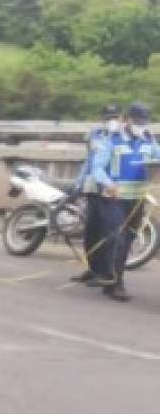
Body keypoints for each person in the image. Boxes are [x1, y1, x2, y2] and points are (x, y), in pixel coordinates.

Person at [88, 101, 160, 302]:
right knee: (116, 238)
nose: (141, 125)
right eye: (137, 121)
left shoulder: (148, 140)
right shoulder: (112, 140)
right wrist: (108, 183)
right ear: (127, 120)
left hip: (137, 200)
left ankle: (112, 277)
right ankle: (114, 282)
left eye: (144, 122)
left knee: (127, 240)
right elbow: (97, 167)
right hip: (113, 198)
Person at [71, 104, 121, 285]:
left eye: (114, 117)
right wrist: (78, 183)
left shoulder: (123, 137)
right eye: (108, 117)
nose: (111, 121)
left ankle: (105, 272)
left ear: (121, 118)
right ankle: (92, 269)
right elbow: (89, 162)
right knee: (91, 232)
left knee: (106, 234)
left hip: (111, 190)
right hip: (93, 188)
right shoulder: (95, 135)